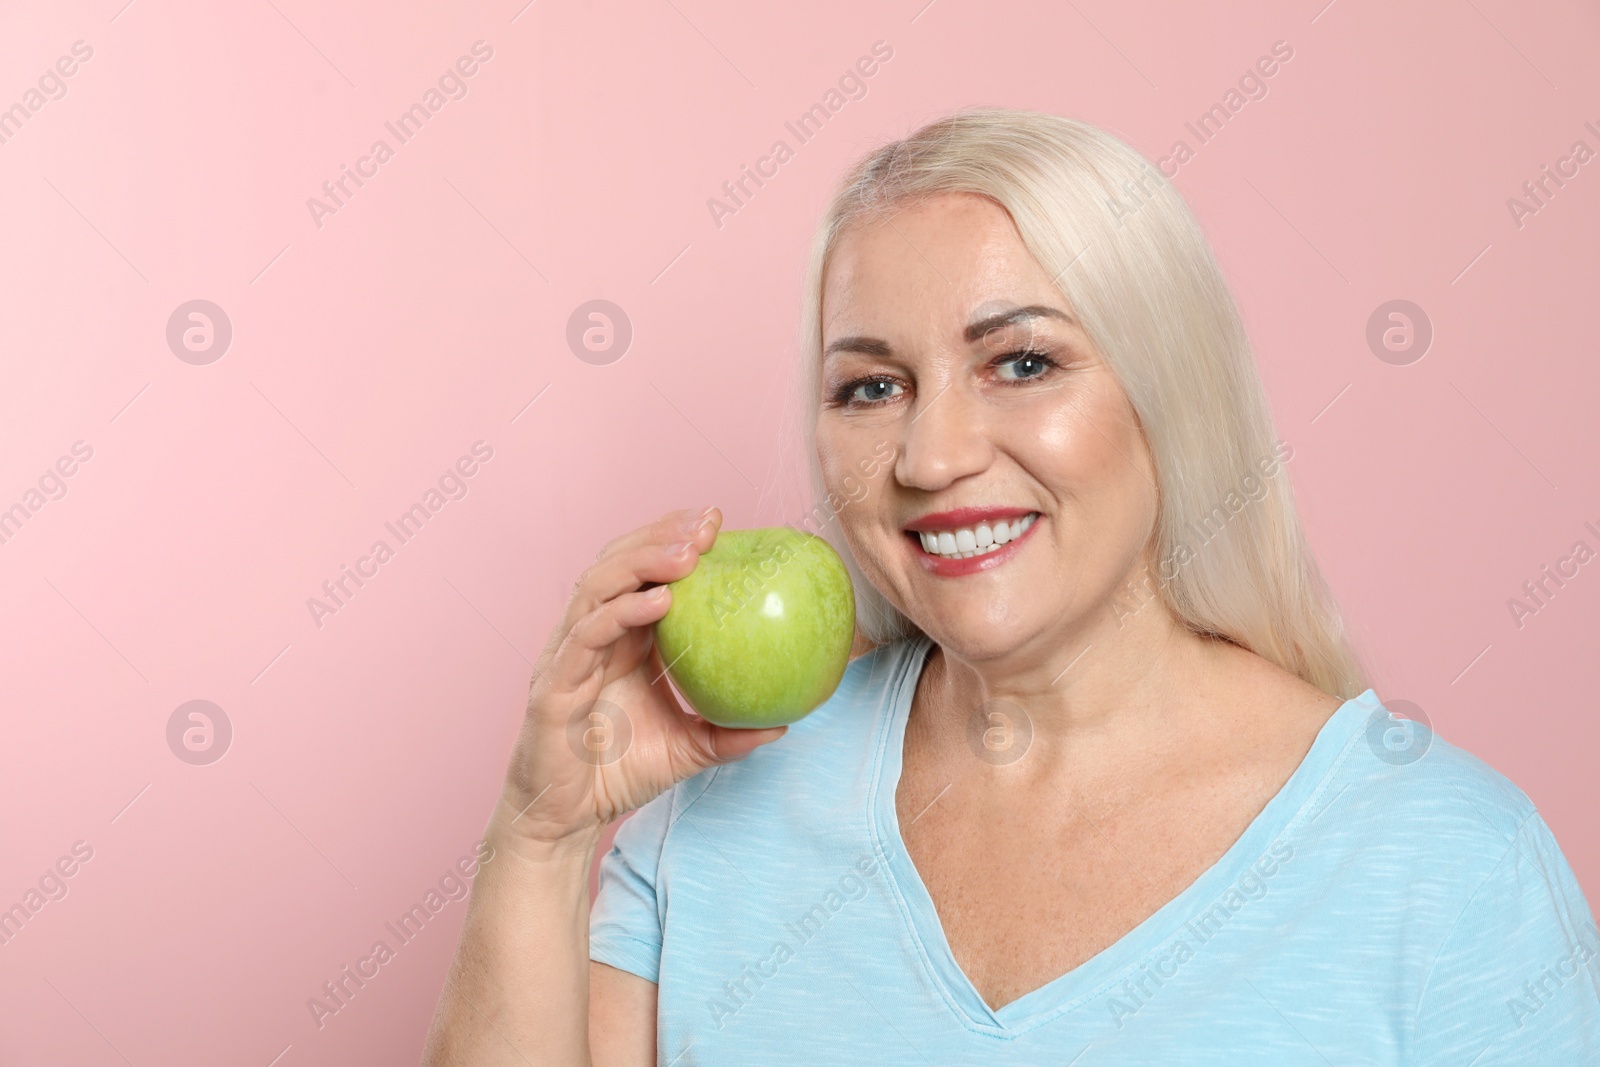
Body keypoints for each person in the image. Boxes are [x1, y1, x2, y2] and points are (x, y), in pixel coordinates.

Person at [421, 108, 1600, 1065]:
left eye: (1021, 362)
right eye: (871, 387)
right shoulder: (727, 797)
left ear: (1163, 391)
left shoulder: (1446, 867)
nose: (931, 457)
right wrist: (540, 832)